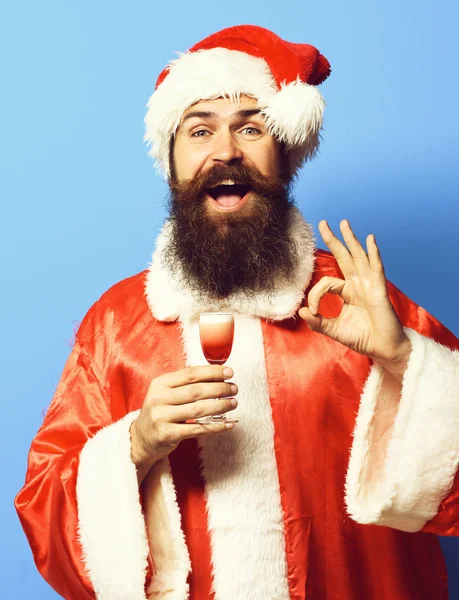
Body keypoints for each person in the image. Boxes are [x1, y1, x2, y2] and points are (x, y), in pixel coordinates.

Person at [15, 24, 459, 600]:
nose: (225, 151)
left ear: (286, 156)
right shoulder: (116, 324)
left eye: (250, 128)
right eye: (200, 130)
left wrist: (403, 359)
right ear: (171, 163)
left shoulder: (355, 299)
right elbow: (45, 509)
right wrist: (136, 444)